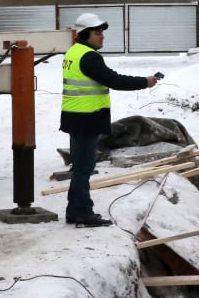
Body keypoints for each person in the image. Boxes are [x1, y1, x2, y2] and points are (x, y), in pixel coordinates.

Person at [60, 12, 160, 226]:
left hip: (75, 117)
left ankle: (74, 211)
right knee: (84, 168)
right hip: (86, 118)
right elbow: (113, 80)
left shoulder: (73, 52)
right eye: (98, 33)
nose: (102, 37)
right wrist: (145, 81)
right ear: (86, 34)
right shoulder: (89, 57)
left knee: (80, 167)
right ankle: (83, 213)